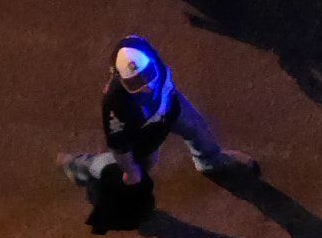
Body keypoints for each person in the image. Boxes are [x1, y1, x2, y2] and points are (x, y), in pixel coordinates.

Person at [63, 37, 261, 196]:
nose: (146, 86)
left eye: (147, 75)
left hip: (171, 107)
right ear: (121, 79)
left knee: (197, 128)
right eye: (136, 82)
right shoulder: (116, 103)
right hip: (144, 134)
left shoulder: (144, 53)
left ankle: (210, 162)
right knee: (137, 166)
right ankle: (80, 165)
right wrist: (131, 171)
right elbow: (119, 145)